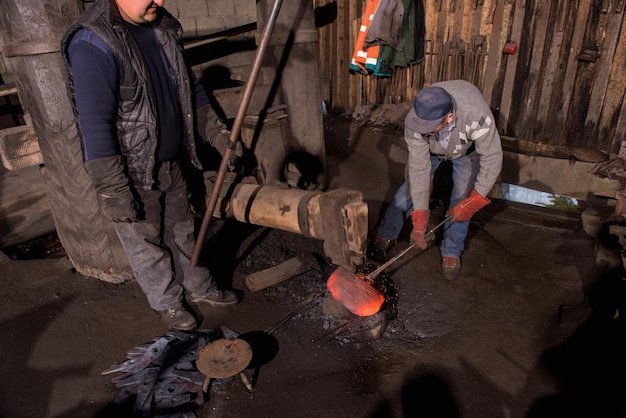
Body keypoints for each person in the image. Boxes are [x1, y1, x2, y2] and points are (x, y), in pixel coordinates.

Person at [60, 0, 243, 331]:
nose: (159, 1)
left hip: (169, 163)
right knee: (146, 244)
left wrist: (216, 133)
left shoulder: (161, 27)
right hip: (131, 172)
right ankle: (168, 302)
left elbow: (191, 89)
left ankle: (198, 287)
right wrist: (114, 190)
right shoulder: (93, 42)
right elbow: (95, 125)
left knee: (184, 232)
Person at [369, 80, 503, 279]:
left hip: (465, 151)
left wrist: (476, 199)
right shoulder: (417, 118)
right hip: (432, 151)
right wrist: (421, 218)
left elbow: (492, 158)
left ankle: (451, 252)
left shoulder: (477, 116)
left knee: (461, 199)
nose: (421, 130)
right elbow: (420, 170)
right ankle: (386, 233)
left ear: (449, 117)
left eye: (428, 127)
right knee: (410, 188)